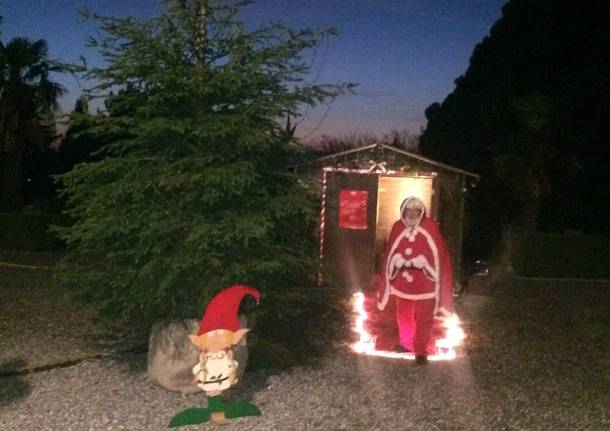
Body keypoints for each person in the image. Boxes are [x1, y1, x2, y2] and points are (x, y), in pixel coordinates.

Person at [377, 196, 454, 365]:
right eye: (408, 210)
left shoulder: (430, 227)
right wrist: (396, 263)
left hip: (425, 283)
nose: (412, 213)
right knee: (403, 315)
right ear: (403, 210)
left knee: (424, 317)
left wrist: (425, 265)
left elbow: (440, 255)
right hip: (402, 282)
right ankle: (406, 344)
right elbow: (390, 253)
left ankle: (420, 350)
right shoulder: (397, 227)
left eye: (416, 210)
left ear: (421, 212)